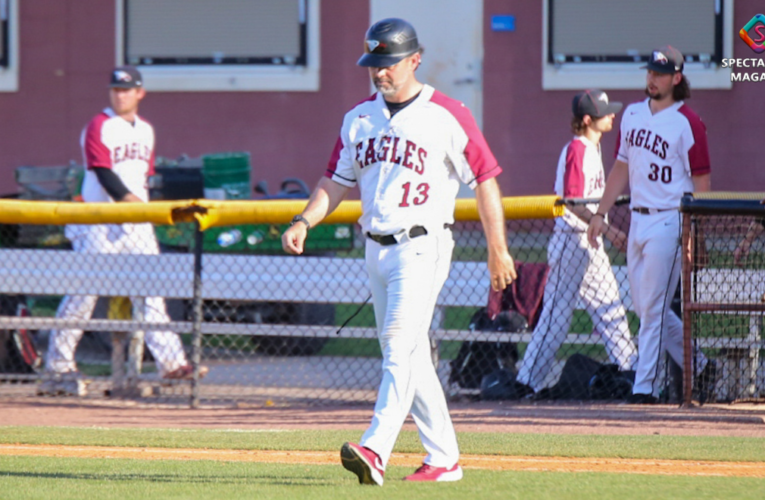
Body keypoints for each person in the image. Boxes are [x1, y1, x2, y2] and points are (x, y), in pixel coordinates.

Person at [281, 18, 516, 485]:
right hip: (376, 248)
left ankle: (375, 447)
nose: (380, 72)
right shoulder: (358, 118)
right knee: (412, 356)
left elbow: (485, 179)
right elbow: (335, 180)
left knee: (396, 343)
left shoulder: (447, 113)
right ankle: (444, 458)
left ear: (415, 59)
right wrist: (305, 219)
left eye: (388, 63)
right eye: (374, 63)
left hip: (423, 243)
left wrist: (498, 249)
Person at [40, 66, 207, 397]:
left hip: (136, 223)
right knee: (83, 295)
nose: (120, 94)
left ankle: (171, 365)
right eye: (116, 89)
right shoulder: (99, 126)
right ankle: (58, 366)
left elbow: (141, 175)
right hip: (99, 222)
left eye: (127, 89)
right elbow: (103, 173)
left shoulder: (145, 130)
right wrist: (134, 205)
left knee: (151, 293)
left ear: (140, 93)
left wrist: (140, 209)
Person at [587, 46, 715, 404]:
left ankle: (645, 387)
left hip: (671, 219)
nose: (652, 78)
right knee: (645, 309)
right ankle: (701, 364)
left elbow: (702, 181)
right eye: (649, 72)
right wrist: (600, 213)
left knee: (655, 309)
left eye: (660, 73)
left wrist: (695, 233)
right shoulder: (631, 115)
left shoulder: (687, 121)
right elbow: (620, 169)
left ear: (676, 78)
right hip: (640, 220)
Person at [516, 90, 637, 395]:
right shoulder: (577, 149)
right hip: (572, 240)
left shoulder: (593, 149)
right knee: (556, 319)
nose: (612, 115)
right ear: (587, 119)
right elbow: (571, 201)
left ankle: (634, 375)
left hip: (590, 243)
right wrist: (609, 231)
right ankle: (525, 382)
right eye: (605, 112)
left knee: (612, 313)